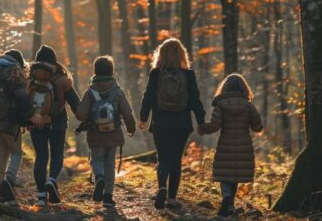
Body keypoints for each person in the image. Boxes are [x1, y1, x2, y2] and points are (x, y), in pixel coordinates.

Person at [139, 37, 205, 210]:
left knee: (163, 157)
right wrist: (201, 121)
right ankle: (172, 198)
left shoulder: (156, 73)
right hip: (182, 124)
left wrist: (143, 118)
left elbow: (148, 96)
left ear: (161, 55)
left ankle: (162, 187)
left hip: (161, 122)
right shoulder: (188, 75)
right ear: (182, 55)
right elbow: (194, 99)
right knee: (176, 159)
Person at [199, 73, 263, 216]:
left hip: (225, 146)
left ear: (225, 88)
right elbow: (257, 126)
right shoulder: (248, 105)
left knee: (225, 174)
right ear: (244, 88)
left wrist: (202, 128)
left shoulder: (220, 105)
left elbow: (214, 126)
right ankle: (230, 204)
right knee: (235, 175)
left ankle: (227, 197)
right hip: (244, 146)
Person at [76, 55, 136, 208]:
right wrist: (131, 128)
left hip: (95, 134)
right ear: (111, 71)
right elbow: (128, 113)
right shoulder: (118, 92)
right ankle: (108, 197)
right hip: (113, 134)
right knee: (110, 163)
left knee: (96, 160)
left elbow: (81, 115)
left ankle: (99, 178)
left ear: (95, 71)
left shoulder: (90, 92)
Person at [0, 49, 42, 202]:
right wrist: (32, 115)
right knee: (17, 153)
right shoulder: (14, 72)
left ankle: (0, 187)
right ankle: (9, 182)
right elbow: (21, 100)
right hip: (9, 121)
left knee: (2, 153)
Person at [28, 45, 80, 206]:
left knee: (41, 157)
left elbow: (23, 101)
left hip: (37, 122)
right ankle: (51, 180)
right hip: (58, 121)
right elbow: (75, 104)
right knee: (57, 154)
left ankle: (42, 196)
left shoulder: (29, 78)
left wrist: (28, 118)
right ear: (54, 60)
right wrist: (85, 117)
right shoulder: (62, 80)